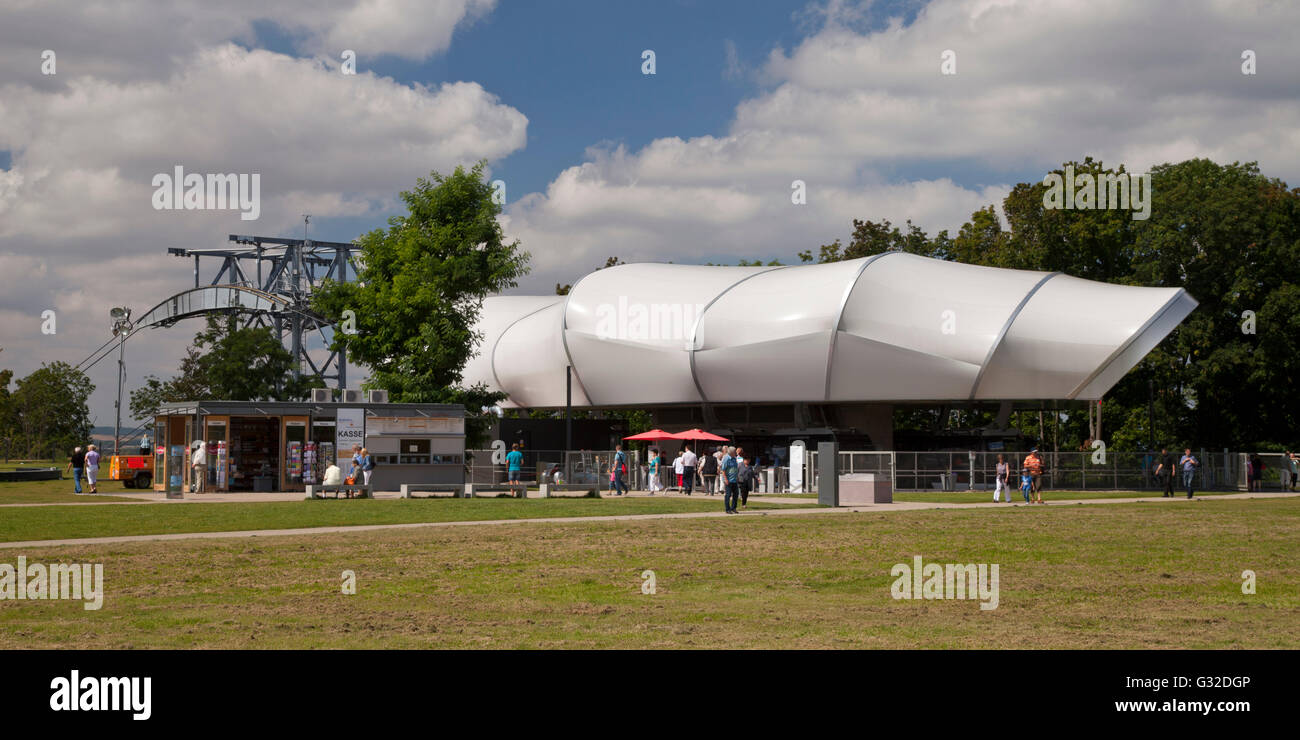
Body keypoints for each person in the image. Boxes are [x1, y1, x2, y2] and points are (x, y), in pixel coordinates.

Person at [721, 446, 740, 513]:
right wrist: (726, 479)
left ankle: (733, 508)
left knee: (736, 494)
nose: (736, 453)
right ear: (731, 452)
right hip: (728, 480)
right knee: (728, 495)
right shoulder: (726, 459)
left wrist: (737, 476)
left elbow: (736, 468)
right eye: (735, 452)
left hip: (734, 479)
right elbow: (723, 470)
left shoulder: (734, 459)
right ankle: (727, 509)